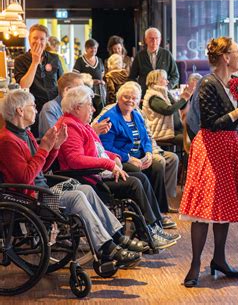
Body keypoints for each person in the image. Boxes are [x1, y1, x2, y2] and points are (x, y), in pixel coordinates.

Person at [0, 90, 144, 268]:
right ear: (20, 111)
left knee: (86, 190)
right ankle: (107, 247)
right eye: (33, 107)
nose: (36, 111)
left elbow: (41, 170)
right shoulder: (7, 140)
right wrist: (45, 148)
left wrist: (54, 148)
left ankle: (117, 236)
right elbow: (25, 178)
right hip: (30, 198)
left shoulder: (25, 133)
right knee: (77, 196)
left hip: (40, 191)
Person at [179, 37, 238, 288]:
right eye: (237, 53)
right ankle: (195, 264)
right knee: (202, 210)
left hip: (229, 147)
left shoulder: (235, 83)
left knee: (223, 206)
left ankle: (219, 258)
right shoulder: (208, 83)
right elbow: (210, 124)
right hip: (210, 148)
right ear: (226, 57)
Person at [55, 85, 180, 250]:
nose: (93, 109)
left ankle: (154, 228)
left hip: (97, 174)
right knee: (134, 182)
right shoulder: (70, 126)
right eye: (89, 105)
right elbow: (75, 160)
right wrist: (108, 163)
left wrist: (115, 157)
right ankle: (149, 232)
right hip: (86, 179)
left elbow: (100, 150)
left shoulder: (81, 124)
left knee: (140, 178)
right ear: (78, 107)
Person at [97, 82, 174, 217]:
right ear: (118, 98)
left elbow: (145, 139)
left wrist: (149, 153)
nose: (130, 101)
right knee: (137, 171)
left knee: (157, 166)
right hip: (120, 159)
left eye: (134, 98)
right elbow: (106, 147)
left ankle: (161, 211)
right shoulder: (110, 117)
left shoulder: (136, 115)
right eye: (126, 97)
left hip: (140, 155)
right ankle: (143, 213)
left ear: (138, 101)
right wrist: (129, 158)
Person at [14, 24, 64, 136]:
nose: (38, 41)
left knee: (56, 138)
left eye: (42, 39)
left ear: (46, 41)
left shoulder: (54, 58)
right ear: (29, 39)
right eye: (35, 38)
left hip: (54, 108)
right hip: (33, 109)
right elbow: (24, 85)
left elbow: (62, 83)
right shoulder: (20, 60)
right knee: (38, 141)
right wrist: (35, 62)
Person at [37, 72, 112, 138]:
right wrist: (93, 131)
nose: (83, 92)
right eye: (80, 89)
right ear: (67, 90)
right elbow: (56, 139)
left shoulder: (78, 107)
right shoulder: (50, 108)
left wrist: (93, 130)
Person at [142, 69, 192, 146]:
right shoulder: (153, 96)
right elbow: (168, 110)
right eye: (165, 79)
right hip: (161, 132)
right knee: (191, 141)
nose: (168, 81)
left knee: (195, 135)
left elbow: (178, 107)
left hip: (174, 129)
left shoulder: (164, 93)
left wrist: (185, 97)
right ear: (155, 81)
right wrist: (183, 99)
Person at [129, 27, 179, 92]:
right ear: (146, 40)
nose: (154, 41)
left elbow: (175, 76)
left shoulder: (167, 54)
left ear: (160, 39)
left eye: (157, 38)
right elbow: (132, 77)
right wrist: (138, 89)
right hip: (145, 94)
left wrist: (167, 87)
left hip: (163, 94)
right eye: (151, 38)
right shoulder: (139, 56)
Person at [73, 39, 106, 110]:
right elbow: (75, 77)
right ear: (86, 49)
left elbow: (102, 75)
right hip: (85, 93)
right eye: (91, 48)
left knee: (99, 111)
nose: (94, 50)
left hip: (99, 92)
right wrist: (91, 81)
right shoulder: (80, 61)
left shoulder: (99, 60)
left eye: (95, 48)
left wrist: (102, 81)